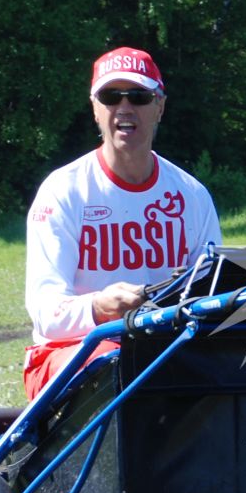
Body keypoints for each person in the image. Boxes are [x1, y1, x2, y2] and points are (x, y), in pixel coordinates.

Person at [23, 47, 221, 398]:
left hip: (162, 350)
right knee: (119, 363)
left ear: (160, 106)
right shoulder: (63, 192)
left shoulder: (192, 195)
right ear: (95, 108)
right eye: (111, 96)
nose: (124, 107)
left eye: (139, 96)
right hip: (71, 353)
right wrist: (99, 307)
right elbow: (45, 314)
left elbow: (214, 294)